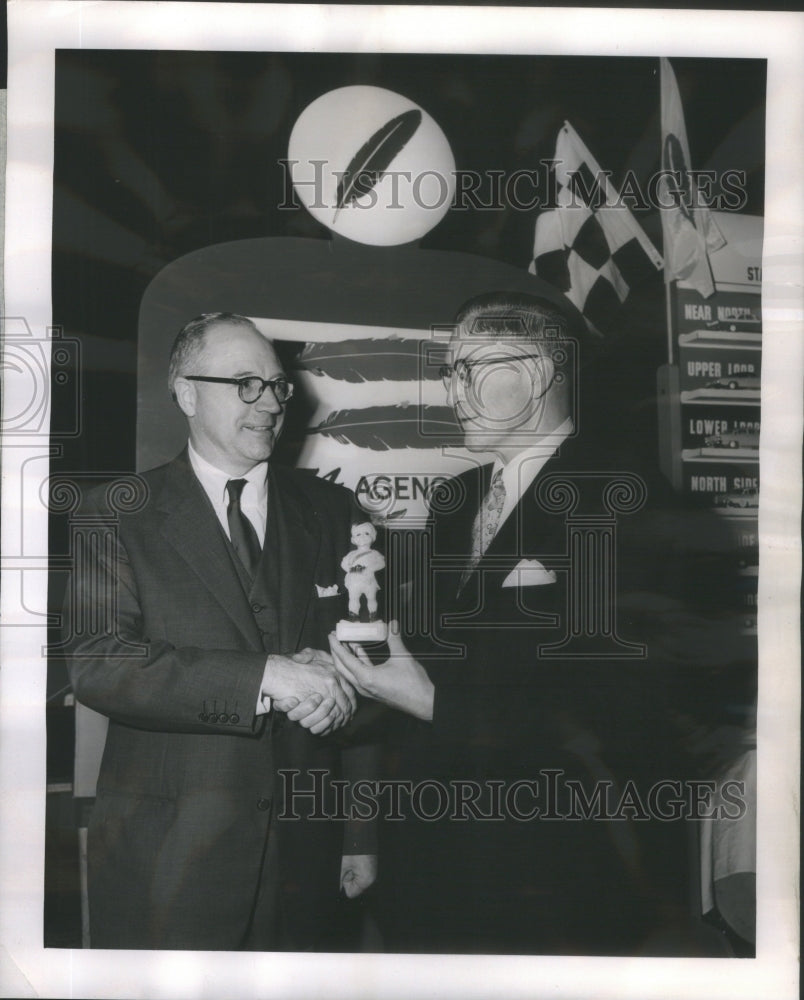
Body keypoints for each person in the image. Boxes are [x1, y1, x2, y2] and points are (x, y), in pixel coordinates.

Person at [329, 291, 741, 954]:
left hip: (550, 864)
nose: (453, 392)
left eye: (474, 370)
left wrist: (431, 701)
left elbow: (617, 708)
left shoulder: (622, 500)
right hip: (430, 860)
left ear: (544, 373)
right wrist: (355, 672)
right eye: (449, 371)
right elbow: (436, 656)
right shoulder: (457, 500)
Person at [65, 312, 376, 950]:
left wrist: (360, 834)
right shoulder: (114, 514)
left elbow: (373, 672)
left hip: (304, 860)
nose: (268, 402)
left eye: (278, 385)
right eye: (244, 383)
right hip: (169, 859)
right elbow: (100, 662)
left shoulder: (334, 511)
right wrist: (269, 675)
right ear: (185, 392)